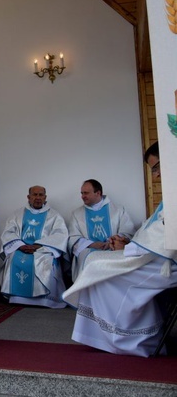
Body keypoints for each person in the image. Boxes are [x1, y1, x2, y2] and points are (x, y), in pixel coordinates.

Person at [63, 142, 177, 356]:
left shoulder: (118, 209)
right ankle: (103, 334)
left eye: (156, 167)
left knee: (100, 270)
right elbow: (153, 230)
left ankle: (131, 338)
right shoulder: (77, 213)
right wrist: (123, 246)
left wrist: (126, 244)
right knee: (94, 261)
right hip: (152, 255)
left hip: (166, 262)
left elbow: (164, 234)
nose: (156, 176)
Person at [0, 185, 69, 308]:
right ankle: (17, 298)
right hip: (21, 248)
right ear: (28, 197)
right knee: (13, 259)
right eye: (35, 195)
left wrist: (38, 245)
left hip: (43, 249)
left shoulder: (54, 216)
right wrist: (20, 245)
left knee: (45, 261)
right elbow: (8, 232)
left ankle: (45, 300)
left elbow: (60, 235)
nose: (38, 198)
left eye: (41, 195)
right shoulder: (18, 214)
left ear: (45, 197)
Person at [68, 179, 135, 281]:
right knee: (86, 259)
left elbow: (127, 231)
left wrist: (112, 242)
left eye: (86, 193)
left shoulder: (118, 210)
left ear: (98, 193)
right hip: (88, 250)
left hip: (114, 248)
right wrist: (92, 244)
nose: (82, 196)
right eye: (82, 193)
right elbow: (73, 237)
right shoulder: (77, 214)